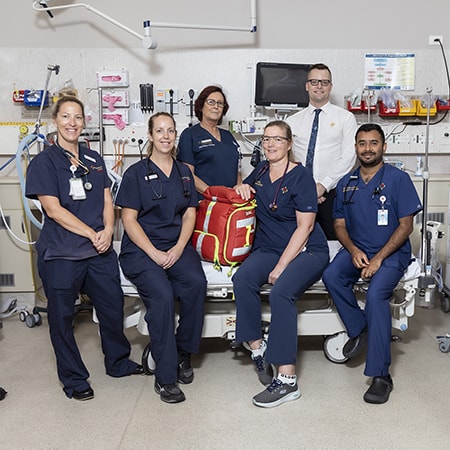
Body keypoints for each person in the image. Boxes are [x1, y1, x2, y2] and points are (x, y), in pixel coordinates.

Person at [25, 95, 143, 401]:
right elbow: (52, 209)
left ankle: (117, 362)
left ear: (84, 122)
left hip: (99, 251)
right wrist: (93, 233)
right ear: (55, 121)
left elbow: (106, 199)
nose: (72, 123)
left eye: (77, 117)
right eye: (65, 117)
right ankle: (74, 379)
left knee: (112, 306)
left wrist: (106, 230)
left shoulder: (94, 159)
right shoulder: (44, 162)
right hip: (62, 253)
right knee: (62, 318)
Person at [322, 123, 422, 404]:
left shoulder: (398, 179)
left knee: (377, 294)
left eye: (373, 143)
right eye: (362, 143)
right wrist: (352, 250)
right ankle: (360, 328)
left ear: (383, 147)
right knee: (332, 275)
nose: (368, 148)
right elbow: (339, 224)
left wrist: (378, 259)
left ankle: (381, 375)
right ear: (356, 147)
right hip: (358, 250)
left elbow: (406, 226)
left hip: (391, 253)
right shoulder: (346, 183)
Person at [232, 120, 329, 408]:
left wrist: (281, 266)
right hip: (270, 248)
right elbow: (243, 191)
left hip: (306, 250)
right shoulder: (260, 171)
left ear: (289, 144)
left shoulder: (301, 177)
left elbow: (305, 227)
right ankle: (257, 348)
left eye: (277, 139)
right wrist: (240, 188)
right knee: (243, 279)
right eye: (266, 139)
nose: (270, 144)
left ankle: (287, 381)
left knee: (281, 292)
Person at [115, 112, 207, 404]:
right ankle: (166, 378)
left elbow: (190, 212)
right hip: (141, 250)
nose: (165, 136)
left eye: (170, 131)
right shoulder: (135, 173)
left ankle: (183, 352)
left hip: (175, 245)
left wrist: (180, 247)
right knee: (163, 296)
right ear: (151, 135)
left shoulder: (183, 173)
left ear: (175, 135)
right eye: (160, 131)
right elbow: (128, 219)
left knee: (195, 283)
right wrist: (154, 252)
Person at [286, 63, 357, 240]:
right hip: (298, 195)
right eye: (315, 81)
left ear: (330, 87)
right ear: (307, 85)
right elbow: (286, 157)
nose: (319, 86)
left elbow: (349, 156)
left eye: (324, 82)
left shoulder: (345, 118)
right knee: (297, 243)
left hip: (332, 194)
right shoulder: (292, 121)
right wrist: (307, 190)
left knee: (333, 244)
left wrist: (322, 186)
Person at [177, 85, 241, 198]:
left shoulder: (228, 136)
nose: (216, 106)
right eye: (211, 102)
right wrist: (212, 193)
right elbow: (187, 174)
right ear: (201, 106)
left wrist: (238, 189)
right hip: (205, 202)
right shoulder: (190, 135)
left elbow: (237, 170)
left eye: (220, 103)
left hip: (230, 202)